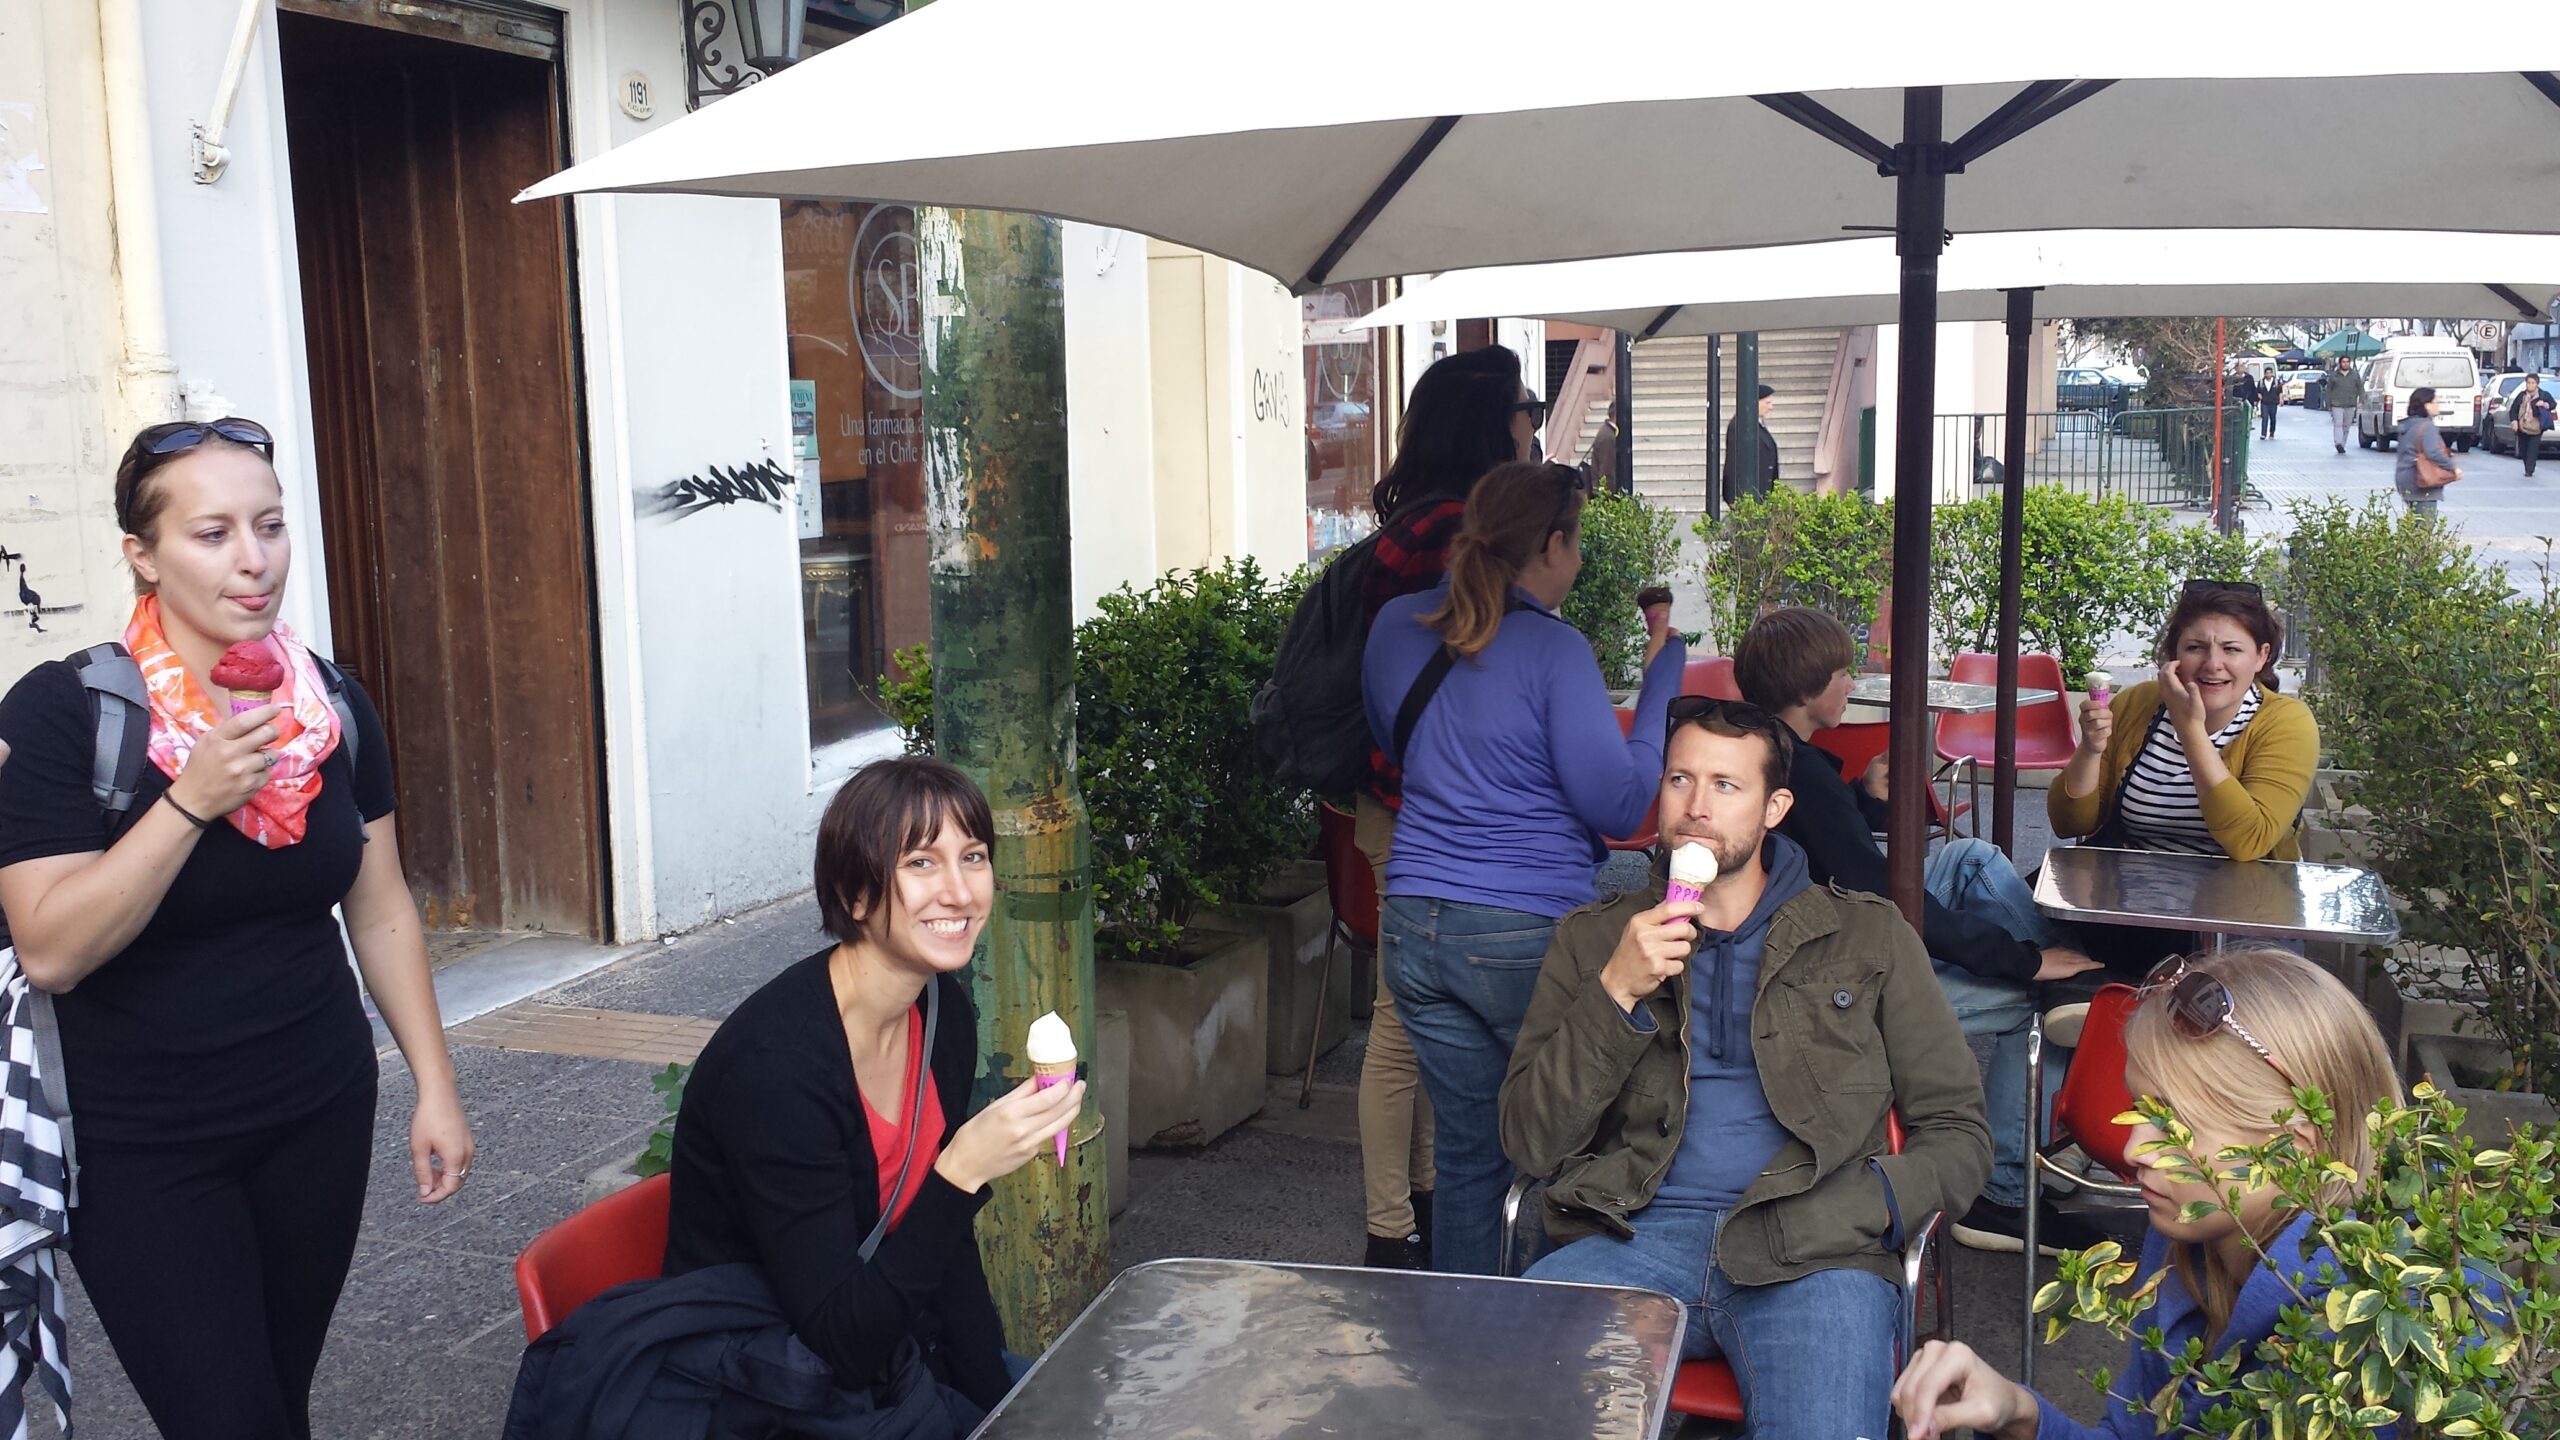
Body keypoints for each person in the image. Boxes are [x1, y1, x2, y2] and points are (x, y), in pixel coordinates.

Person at [0, 418, 472, 1439]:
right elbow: (51, 947)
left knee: (274, 1399)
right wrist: (188, 802)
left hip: (315, 1108)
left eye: (269, 526)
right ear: (142, 555)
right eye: (211, 534)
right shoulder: (63, 714)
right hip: (140, 1146)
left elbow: (379, 902)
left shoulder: (329, 704)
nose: (254, 561)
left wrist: (433, 1084)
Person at [1500, 698, 1990, 1440]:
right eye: (1679, 780)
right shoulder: (1596, 940)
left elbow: (1958, 1132)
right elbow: (1528, 1143)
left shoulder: (1867, 934)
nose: (1696, 808)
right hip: (1631, 1240)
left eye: (1726, 786)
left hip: (1817, 1253)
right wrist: (1615, 992)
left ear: (1775, 808)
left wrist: (1869, 1206)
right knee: (1501, 1408)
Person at [661, 757, 1082, 1414]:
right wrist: (962, 1171)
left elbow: (945, 1257)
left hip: (897, 1355)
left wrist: (998, 1410)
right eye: (920, 863)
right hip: (764, 1386)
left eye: (973, 857)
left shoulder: (942, 1014)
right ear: (856, 894)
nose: (960, 891)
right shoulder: (778, 1072)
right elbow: (838, 1341)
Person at [1361, 459, 1685, 1275]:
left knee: (1473, 1151)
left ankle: (1474, 1354)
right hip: (1518, 934)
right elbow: (1619, 806)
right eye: (1575, 544)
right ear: (1552, 544)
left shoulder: (1397, 625)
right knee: (1570, 1132)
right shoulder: (1553, 649)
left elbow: (1401, 744)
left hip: (1412, 925)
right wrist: (1660, 691)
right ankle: (1555, 1331)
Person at [1891, 947, 2404, 1440]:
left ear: (2293, 1150)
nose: (2134, 1148)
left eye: (2175, 1123)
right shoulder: (2184, 1244)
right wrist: (2017, 1416)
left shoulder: (2364, 1342)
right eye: (2138, 1108)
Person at [1732, 607, 2103, 1255]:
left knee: (1972, 859)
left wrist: (1865, 800)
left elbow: (1824, 851)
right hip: (1828, 997)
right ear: (1809, 690)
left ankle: (2070, 971)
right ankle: (2006, 1193)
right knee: (2028, 1008)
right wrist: (2017, 962)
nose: (1853, 683)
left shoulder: (1776, 753)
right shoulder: (1806, 778)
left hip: (1818, 947)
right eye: (1844, 673)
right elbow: (1884, 898)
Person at [1350, 343, 1541, 1269]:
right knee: (1401, 1021)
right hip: (1422, 815)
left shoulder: (1423, 524)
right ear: (1489, 422)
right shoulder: (1446, 536)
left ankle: (1423, 1200)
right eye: (1524, 411)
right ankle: (1392, 1229)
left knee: (1420, 1023)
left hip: (1409, 806)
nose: (1533, 428)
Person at [2051, 581, 2318, 971]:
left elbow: (2250, 840)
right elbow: (2068, 822)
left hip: (2242, 926)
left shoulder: (2286, 723)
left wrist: (2191, 730)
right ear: (2174, 655)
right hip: (2129, 910)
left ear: (2261, 657)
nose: (2212, 664)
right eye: (2195, 647)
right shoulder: (2139, 704)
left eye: (2231, 649)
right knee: (1976, 868)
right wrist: (2090, 749)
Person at [2391, 385, 2460, 515]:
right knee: (2424, 526)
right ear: (2426, 405)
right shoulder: (2427, 427)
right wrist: (2453, 467)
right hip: (2422, 480)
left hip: (2404, 478)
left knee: (2413, 523)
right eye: (2436, 402)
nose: (2438, 405)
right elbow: (2433, 453)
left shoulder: (2407, 425)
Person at [1723, 383, 1780, 504]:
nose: (1771, 407)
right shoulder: (1741, 425)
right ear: (1756, 403)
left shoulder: (1758, 424)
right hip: (1749, 494)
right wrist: (1732, 497)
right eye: (1767, 403)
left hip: (1762, 492)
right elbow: (1733, 461)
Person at [2509, 372, 2553, 478]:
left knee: (2532, 449)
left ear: (2537, 384)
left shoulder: (2543, 395)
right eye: (2528, 382)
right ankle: (2527, 465)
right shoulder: (2522, 395)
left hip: (2537, 427)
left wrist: (2544, 404)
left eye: (2533, 383)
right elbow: (2513, 410)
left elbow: (2552, 404)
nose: (2530, 385)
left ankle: (2530, 469)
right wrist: (2514, 421)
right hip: (2523, 426)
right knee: (2523, 449)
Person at [2323, 356, 2363, 452]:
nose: (2345, 364)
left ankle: (2342, 444)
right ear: (2340, 363)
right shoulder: (2334, 376)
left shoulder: (2354, 375)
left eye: (2347, 362)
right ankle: (2338, 442)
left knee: (2346, 426)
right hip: (2336, 404)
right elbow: (2328, 390)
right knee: (2338, 424)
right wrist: (2328, 404)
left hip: (2350, 404)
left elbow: (2360, 388)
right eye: (2343, 362)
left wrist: (2361, 400)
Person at [2255, 365, 2280, 440]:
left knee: (2273, 418)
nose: (2268, 374)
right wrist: (2258, 396)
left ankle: (2272, 433)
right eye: (2267, 373)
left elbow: (2280, 392)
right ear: (2265, 374)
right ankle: (2263, 434)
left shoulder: (2276, 382)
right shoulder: (2261, 382)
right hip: (2264, 403)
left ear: (2272, 373)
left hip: (2273, 403)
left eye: (2270, 373)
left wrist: (2281, 399)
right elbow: (2258, 391)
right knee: (2264, 418)